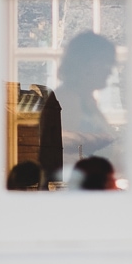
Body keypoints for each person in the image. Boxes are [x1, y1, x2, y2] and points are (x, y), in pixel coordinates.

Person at [52, 31, 120, 177]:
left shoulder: (88, 102)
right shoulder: (66, 101)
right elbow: (59, 159)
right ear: (84, 65)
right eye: (106, 62)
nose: (110, 71)